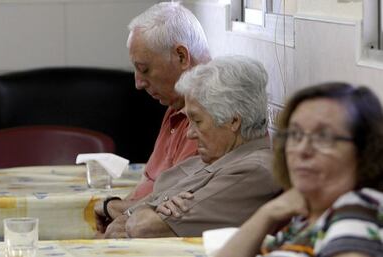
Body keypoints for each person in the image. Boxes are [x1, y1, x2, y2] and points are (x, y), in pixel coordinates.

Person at [96, 56, 281, 238]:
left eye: (197, 121)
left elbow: (144, 227)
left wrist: (141, 211)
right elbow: (132, 217)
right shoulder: (210, 159)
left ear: (233, 121)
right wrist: (149, 208)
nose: (189, 133)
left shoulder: (252, 172)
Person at [216, 82, 383, 257]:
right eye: (295, 134)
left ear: (364, 149)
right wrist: (268, 213)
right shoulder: (308, 214)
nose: (303, 149)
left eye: (323, 137)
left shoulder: (356, 213)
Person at [95, 2, 212, 221]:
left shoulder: (208, 117)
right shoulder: (176, 104)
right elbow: (148, 183)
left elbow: (167, 204)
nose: (138, 83)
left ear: (181, 56)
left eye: (144, 69)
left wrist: (110, 207)